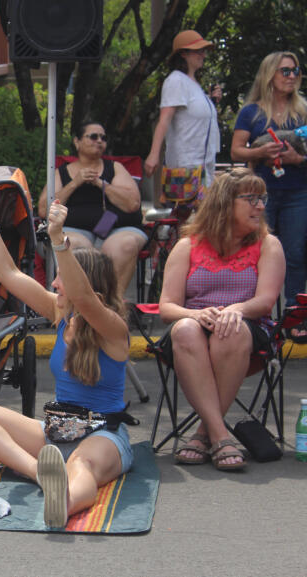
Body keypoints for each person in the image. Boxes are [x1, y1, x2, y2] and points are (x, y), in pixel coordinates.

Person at [0, 185, 134, 527]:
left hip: (101, 436)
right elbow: (8, 274)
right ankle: (40, 473)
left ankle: (62, 503)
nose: (53, 284)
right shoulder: (60, 312)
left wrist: (58, 238)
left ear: (84, 283)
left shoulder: (113, 328)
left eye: (60, 278)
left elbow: (84, 297)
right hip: (54, 432)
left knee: (82, 468)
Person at [159, 168, 285, 471]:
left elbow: (266, 301)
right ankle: (219, 434)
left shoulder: (269, 245)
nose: (261, 206)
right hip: (193, 330)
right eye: (251, 199)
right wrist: (195, 313)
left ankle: (206, 433)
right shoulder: (187, 246)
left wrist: (235, 310)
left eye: (262, 198)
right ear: (225, 203)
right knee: (186, 329)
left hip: (248, 330)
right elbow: (167, 307)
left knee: (232, 329)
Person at [231, 51, 307, 338]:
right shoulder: (251, 112)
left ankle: (294, 318)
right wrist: (260, 152)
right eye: (285, 71)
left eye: (295, 71)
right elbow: (236, 150)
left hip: (299, 190)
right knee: (257, 252)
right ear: (269, 75)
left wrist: (297, 160)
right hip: (260, 193)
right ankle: (260, 317)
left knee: (295, 253)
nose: (291, 76)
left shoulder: (304, 110)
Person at [38, 121, 146, 296]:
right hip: (75, 230)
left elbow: (132, 203)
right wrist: (75, 183)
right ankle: (83, 306)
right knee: (75, 247)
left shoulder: (115, 168)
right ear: (77, 142)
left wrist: (101, 183)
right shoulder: (62, 172)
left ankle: (112, 305)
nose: (99, 141)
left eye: (103, 138)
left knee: (125, 245)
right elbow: (44, 209)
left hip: (117, 229)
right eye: (93, 136)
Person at [144, 30, 221, 190]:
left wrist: (212, 102)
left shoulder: (194, 85)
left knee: (202, 213)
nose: (203, 55)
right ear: (183, 54)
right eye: (198, 51)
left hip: (203, 166)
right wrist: (154, 154)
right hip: (185, 166)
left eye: (203, 50)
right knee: (182, 212)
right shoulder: (176, 80)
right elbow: (164, 120)